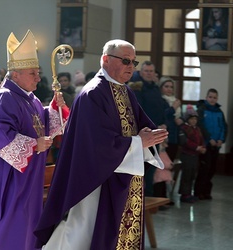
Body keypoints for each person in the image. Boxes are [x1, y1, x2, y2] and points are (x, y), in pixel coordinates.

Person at [34, 39, 168, 250]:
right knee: (83, 232)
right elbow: (95, 144)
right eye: (125, 60)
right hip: (96, 179)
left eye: (134, 61)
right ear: (105, 60)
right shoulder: (93, 94)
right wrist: (138, 142)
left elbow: (139, 126)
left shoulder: (125, 91)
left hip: (123, 174)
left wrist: (150, 136)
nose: (131, 67)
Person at [0, 29, 69, 250]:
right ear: (15, 74)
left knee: (25, 227)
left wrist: (54, 109)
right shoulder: (4, 98)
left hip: (28, 176)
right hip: (7, 179)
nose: (38, 77)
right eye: (32, 73)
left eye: (38, 72)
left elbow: (39, 121)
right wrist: (35, 144)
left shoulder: (32, 99)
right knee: (9, 227)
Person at [128, 61, 169, 197]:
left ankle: (150, 197)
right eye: (146, 71)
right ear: (141, 72)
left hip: (156, 132)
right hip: (144, 133)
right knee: (141, 168)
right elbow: (140, 111)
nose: (149, 73)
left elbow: (160, 108)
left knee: (152, 167)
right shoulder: (137, 88)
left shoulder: (155, 88)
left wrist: (163, 123)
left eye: (151, 71)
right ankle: (139, 197)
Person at [154, 76, 184, 199]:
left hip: (173, 138)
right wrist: (173, 108)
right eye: (166, 86)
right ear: (161, 88)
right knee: (160, 168)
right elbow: (165, 116)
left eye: (171, 87)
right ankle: (159, 197)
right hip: (163, 138)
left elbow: (177, 120)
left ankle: (167, 196)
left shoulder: (174, 101)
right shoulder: (160, 101)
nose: (169, 89)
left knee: (169, 168)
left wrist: (181, 120)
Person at [195, 88, 227, 200]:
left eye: (214, 97)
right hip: (206, 144)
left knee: (212, 169)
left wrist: (221, 139)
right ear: (206, 97)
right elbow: (200, 126)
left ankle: (207, 191)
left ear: (217, 98)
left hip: (216, 145)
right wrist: (209, 139)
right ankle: (198, 191)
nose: (212, 99)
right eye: (210, 97)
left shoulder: (219, 112)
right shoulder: (201, 109)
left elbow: (223, 126)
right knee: (204, 168)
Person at [178, 105, 206, 203]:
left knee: (192, 175)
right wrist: (196, 147)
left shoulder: (197, 129)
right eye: (192, 119)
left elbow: (201, 139)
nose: (194, 121)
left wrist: (203, 147)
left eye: (195, 119)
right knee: (187, 174)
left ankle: (189, 193)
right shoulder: (184, 129)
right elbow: (185, 141)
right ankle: (184, 194)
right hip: (187, 155)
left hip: (195, 156)